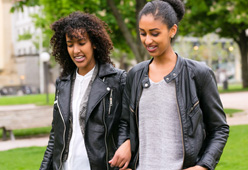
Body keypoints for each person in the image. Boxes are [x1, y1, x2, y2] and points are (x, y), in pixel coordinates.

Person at [110, 0, 229, 170]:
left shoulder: (198, 73)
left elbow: (219, 129)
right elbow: (125, 123)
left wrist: (203, 166)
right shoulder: (135, 75)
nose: (147, 40)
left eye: (155, 33)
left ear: (172, 30)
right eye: (143, 33)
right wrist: (125, 146)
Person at [40, 11, 127, 170]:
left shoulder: (117, 79)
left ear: (94, 42)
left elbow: (125, 124)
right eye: (70, 44)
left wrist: (124, 149)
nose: (75, 50)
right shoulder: (63, 83)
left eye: (81, 42)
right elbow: (56, 136)